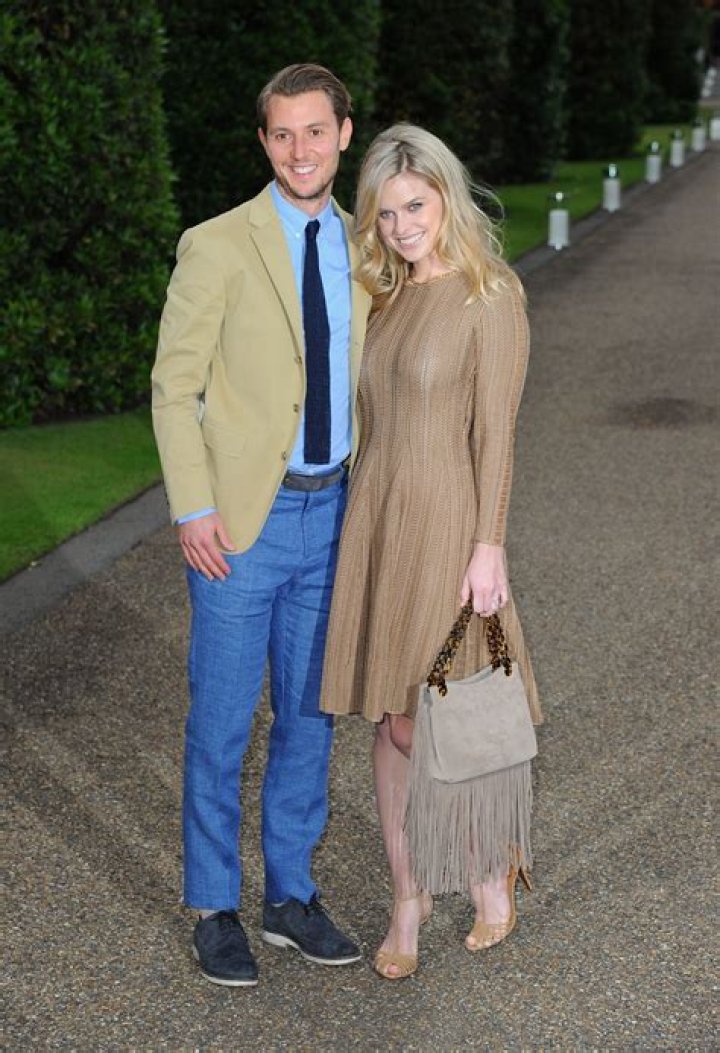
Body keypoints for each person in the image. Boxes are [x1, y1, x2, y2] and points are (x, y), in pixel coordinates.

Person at [151, 64, 370, 987]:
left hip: (337, 514)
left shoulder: (369, 246)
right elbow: (174, 387)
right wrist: (194, 506)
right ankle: (214, 905)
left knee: (310, 719)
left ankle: (290, 896)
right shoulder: (216, 244)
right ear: (264, 142)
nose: (299, 150)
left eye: (315, 131)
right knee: (222, 722)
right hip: (243, 523)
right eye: (282, 134)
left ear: (345, 134)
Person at [320, 125, 543, 980]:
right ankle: (406, 897)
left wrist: (489, 544)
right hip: (378, 519)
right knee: (389, 715)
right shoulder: (383, 296)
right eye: (385, 214)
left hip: (449, 520)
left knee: (435, 715)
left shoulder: (491, 295)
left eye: (415, 206)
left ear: (446, 197)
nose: (402, 226)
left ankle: (488, 872)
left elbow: (498, 436)